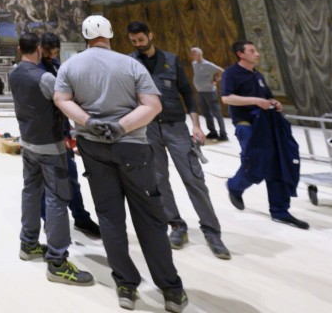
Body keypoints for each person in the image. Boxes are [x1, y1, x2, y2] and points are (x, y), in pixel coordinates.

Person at [54, 16, 187, 313]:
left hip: (93, 146)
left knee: (110, 218)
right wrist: (121, 127)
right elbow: (153, 105)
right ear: (111, 34)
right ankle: (171, 291)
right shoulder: (131, 65)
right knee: (150, 219)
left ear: (85, 36)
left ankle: (126, 286)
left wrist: (90, 121)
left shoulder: (70, 66)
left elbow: (61, 99)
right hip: (133, 148)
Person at [127, 22, 230, 261]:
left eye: (141, 39)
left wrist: (196, 124)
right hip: (148, 128)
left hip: (176, 126)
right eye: (133, 41)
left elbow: (186, 93)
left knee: (193, 178)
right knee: (159, 179)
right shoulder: (130, 62)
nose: (138, 44)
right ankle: (176, 225)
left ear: (150, 35)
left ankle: (212, 231)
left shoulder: (171, 60)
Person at [10, 32, 95, 287]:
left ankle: (28, 243)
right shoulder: (45, 77)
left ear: (18, 48)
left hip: (27, 144)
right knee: (57, 199)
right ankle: (58, 262)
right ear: (37, 48)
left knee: (31, 192)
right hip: (50, 146)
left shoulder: (13, 73)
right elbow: (64, 103)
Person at [221, 41, 309, 229]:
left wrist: (274, 102)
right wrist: (254, 101)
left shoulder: (258, 75)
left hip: (266, 124)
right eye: (252, 51)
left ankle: (280, 211)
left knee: (277, 163)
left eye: (257, 50)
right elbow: (227, 98)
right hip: (247, 124)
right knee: (255, 164)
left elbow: (267, 97)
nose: (257, 54)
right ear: (240, 54)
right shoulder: (231, 73)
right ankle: (235, 186)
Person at [38, 33, 101, 238]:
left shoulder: (57, 65)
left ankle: (81, 218)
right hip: (43, 133)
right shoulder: (35, 69)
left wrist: (69, 130)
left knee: (71, 177)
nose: (52, 56)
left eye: (55, 52)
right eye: (48, 52)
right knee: (45, 183)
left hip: (61, 130)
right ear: (40, 48)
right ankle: (49, 221)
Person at [190, 47, 227, 141]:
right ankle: (212, 132)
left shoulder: (207, 64)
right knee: (206, 113)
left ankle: (223, 134)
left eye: (193, 53)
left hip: (210, 92)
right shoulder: (194, 64)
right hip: (200, 92)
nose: (191, 55)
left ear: (199, 54)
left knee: (217, 113)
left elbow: (222, 71)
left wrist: (215, 80)